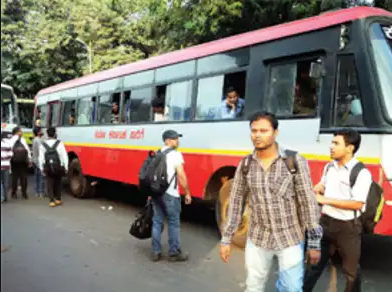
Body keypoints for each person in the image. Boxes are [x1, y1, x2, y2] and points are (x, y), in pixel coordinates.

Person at [219, 111, 322, 292]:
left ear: (275, 132)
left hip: (290, 237)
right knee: (253, 286)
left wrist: (314, 243)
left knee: (291, 288)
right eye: (254, 131)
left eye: (264, 131)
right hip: (258, 238)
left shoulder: (294, 160)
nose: (257, 135)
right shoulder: (246, 165)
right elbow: (235, 204)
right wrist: (226, 239)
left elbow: (308, 203)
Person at [303, 129, 369, 292]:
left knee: (351, 272)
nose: (331, 147)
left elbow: (357, 204)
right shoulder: (329, 167)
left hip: (348, 227)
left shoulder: (361, 172)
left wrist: (326, 200)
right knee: (313, 265)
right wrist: (320, 187)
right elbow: (324, 184)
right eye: (332, 143)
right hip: (325, 224)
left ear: (350, 148)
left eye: (336, 143)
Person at [151, 130, 192, 262]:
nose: (177, 141)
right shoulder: (175, 155)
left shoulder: (157, 153)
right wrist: (187, 193)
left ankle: (156, 252)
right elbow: (181, 175)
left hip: (156, 193)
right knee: (173, 223)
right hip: (170, 194)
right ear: (167, 141)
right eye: (174, 139)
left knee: (157, 221)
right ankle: (174, 252)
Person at [38, 127, 68, 207]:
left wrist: (41, 168)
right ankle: (58, 199)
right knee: (58, 182)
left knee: (49, 183)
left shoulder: (43, 144)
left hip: (47, 167)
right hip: (59, 166)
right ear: (55, 134)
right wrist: (66, 167)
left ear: (47, 134)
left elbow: (41, 158)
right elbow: (64, 156)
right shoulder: (60, 143)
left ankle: (51, 201)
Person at [9, 126, 32, 199]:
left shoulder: (10, 140)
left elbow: (9, 151)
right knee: (23, 177)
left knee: (14, 178)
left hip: (14, 161)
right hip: (23, 161)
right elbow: (27, 150)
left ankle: (14, 193)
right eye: (20, 131)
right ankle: (24, 193)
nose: (22, 132)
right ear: (17, 132)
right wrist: (30, 160)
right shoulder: (23, 140)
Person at [32, 126, 46, 197]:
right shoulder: (38, 140)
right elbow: (41, 151)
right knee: (41, 177)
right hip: (39, 161)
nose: (42, 132)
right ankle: (41, 192)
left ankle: (36, 192)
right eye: (41, 131)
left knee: (37, 177)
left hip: (35, 160)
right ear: (38, 132)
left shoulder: (35, 139)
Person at [1, 131, 13, 203]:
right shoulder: (7, 144)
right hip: (6, 165)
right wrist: (6, 159)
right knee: (5, 182)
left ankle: (1, 197)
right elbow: (11, 154)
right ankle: (5, 197)